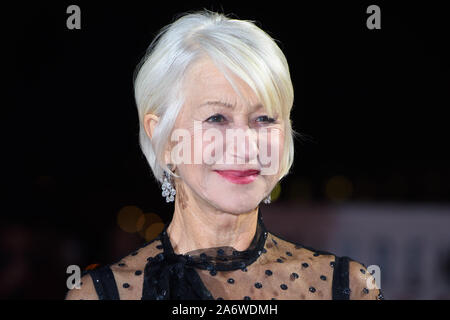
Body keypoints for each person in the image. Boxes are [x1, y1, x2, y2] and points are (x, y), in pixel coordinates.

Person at [65, 10, 384, 300]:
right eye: (217, 118)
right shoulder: (103, 295)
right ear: (163, 137)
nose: (245, 145)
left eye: (264, 119)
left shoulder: (346, 287)